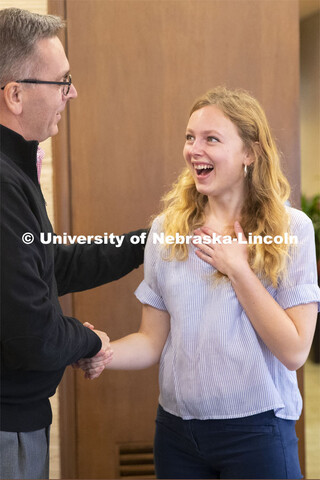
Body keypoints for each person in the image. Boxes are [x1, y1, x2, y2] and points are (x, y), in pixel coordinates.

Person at [79, 86, 320, 479]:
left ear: (250, 153)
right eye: (190, 137)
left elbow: (294, 350)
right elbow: (151, 340)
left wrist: (239, 270)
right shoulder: (166, 230)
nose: (194, 149)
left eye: (211, 139)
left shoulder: (291, 229)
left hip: (256, 434)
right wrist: (101, 352)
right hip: (177, 434)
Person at [0, 8, 146, 480]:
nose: (73, 93)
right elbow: (35, 337)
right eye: (61, 81)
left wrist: (152, 240)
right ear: (15, 94)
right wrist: (92, 341)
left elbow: (53, 262)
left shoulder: (15, 170)